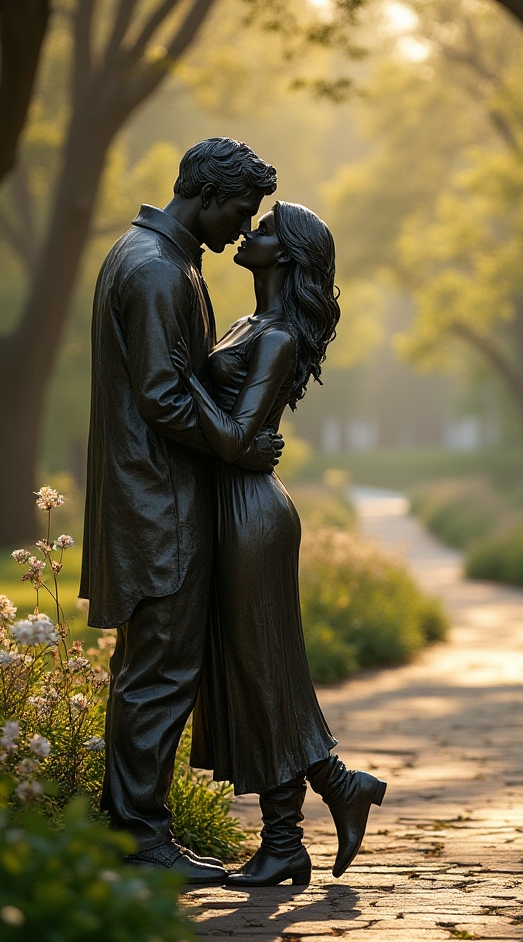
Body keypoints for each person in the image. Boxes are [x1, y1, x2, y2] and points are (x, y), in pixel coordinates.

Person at [79, 137, 280, 887]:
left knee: (150, 671)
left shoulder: (160, 260)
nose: (241, 228)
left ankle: (129, 832)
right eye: (240, 209)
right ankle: (139, 840)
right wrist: (237, 445)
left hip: (154, 497)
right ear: (206, 194)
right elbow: (164, 398)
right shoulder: (159, 270)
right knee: (159, 674)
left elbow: (173, 376)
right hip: (158, 506)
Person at [170, 201, 386, 888]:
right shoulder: (248, 323)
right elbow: (236, 435)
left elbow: (236, 434)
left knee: (262, 670)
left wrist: (176, 379)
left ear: (286, 254)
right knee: (254, 669)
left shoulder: (279, 337)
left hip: (253, 517)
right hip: (233, 506)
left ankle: (288, 840)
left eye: (265, 228)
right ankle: (332, 793)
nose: (249, 232)